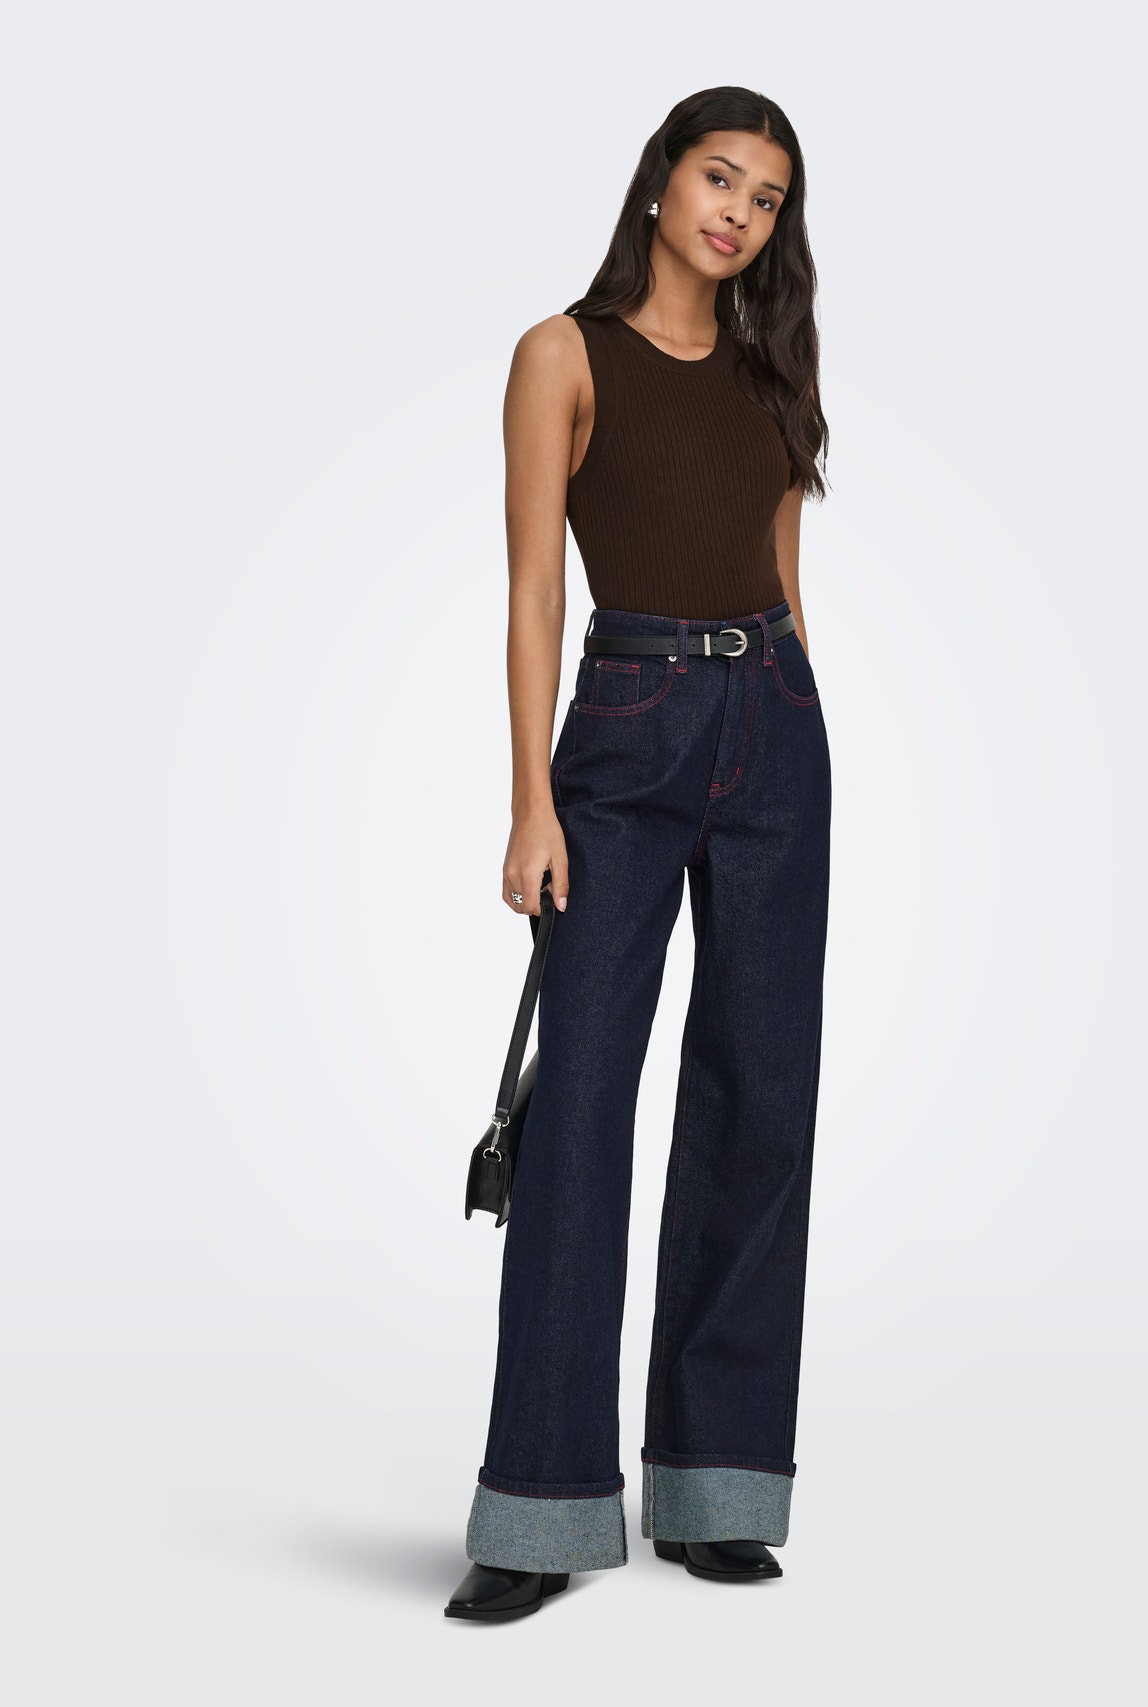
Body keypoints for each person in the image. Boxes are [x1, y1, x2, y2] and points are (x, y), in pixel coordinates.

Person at [445, 84, 832, 1622]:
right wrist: (531, 800)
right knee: (582, 1112)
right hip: (625, 721)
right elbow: (535, 589)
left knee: (760, 1099)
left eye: (767, 198)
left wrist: (798, 724)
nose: (740, 213)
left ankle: (718, 1486)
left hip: (775, 722)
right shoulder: (563, 352)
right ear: (663, 180)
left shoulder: (774, 361)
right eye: (720, 177)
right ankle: (538, 1509)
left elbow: (785, 573)